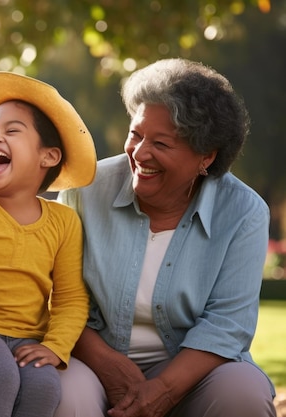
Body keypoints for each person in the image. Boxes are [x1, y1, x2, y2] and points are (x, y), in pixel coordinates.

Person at [55, 58, 277, 417]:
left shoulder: (243, 212)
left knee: (243, 393)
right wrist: (107, 365)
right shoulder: (84, 190)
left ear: (206, 157)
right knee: (61, 393)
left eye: (161, 143)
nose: (140, 153)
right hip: (93, 358)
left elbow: (228, 324)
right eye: (136, 134)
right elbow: (57, 296)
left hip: (193, 370)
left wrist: (163, 390)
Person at [0, 71, 96, 417]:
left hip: (30, 338)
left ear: (49, 157)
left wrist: (56, 347)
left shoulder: (63, 221)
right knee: (0, 377)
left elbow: (71, 297)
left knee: (44, 388)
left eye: (12, 131)